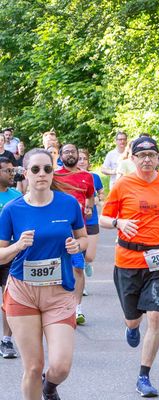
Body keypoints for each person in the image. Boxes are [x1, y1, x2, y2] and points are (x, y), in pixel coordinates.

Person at [100, 137, 159, 397]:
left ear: (158, 158)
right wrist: (119, 223)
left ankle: (144, 376)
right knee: (133, 317)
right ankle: (131, 326)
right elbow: (104, 218)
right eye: (142, 155)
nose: (147, 159)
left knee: (156, 316)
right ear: (133, 159)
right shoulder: (124, 184)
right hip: (128, 259)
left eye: (152, 154)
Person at [0, 148, 88, 400]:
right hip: (22, 292)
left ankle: (49, 388)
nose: (42, 174)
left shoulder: (68, 204)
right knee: (33, 366)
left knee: (60, 366)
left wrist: (76, 245)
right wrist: (18, 246)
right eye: (35, 169)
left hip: (59, 292)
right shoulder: (12, 210)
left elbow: (83, 240)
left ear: (53, 172)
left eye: (47, 169)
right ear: (25, 173)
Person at [54, 144, 95, 325]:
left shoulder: (87, 176)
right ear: (61, 156)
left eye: (73, 151)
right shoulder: (55, 176)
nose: (70, 154)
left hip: (78, 232)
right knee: (57, 268)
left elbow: (90, 197)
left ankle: (77, 307)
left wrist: (88, 207)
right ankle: (59, 305)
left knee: (78, 268)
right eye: (66, 152)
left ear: (78, 155)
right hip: (56, 231)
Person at [0, 157, 22, 359]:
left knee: (8, 298)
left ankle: (6, 340)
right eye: (7, 171)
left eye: (12, 170)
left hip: (9, 255)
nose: (11, 174)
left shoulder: (17, 196)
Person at [77, 149, 105, 282]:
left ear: (88, 162)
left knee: (89, 256)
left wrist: (99, 199)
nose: (82, 161)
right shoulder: (69, 177)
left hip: (91, 219)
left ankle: (86, 263)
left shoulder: (95, 177)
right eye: (79, 158)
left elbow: (101, 192)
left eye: (84, 159)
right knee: (76, 255)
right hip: (76, 221)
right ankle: (80, 282)